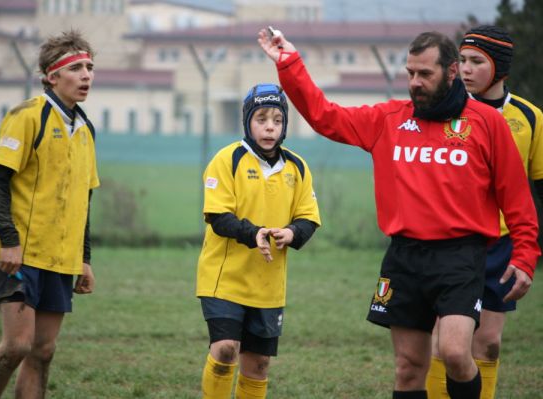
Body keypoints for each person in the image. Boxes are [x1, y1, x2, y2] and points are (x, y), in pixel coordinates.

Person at [258, 29, 540, 399]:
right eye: (410, 73)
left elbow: (516, 197)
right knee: (408, 369)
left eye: (425, 74)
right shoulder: (389, 119)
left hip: (461, 256)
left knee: (456, 353)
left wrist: (525, 255)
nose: (415, 83)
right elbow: (324, 116)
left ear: (451, 72)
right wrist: (290, 64)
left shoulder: (487, 123)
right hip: (405, 257)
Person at [0, 29, 99, 399]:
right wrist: (9, 242)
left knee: (43, 352)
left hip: (60, 258)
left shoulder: (86, 129)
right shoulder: (28, 115)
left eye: (90, 67)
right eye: (76, 68)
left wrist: (84, 259)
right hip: (19, 253)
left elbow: (83, 200)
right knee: (18, 345)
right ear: (51, 76)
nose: (87, 75)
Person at [426, 25, 543, 399]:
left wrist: (529, 254)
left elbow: (537, 189)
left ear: (501, 68)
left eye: (477, 61)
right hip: (451, 241)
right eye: (461, 60)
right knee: (445, 342)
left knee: (488, 343)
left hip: (501, 246)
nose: (466, 69)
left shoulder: (529, 118)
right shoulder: (443, 110)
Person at [196, 83, 321, 399]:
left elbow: (308, 218)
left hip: (268, 284)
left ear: (285, 125)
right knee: (226, 350)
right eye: (261, 119)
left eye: (277, 120)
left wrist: (292, 233)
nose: (269, 127)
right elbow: (218, 217)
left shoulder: (297, 167)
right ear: (247, 122)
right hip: (224, 279)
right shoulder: (228, 160)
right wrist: (254, 234)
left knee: (259, 364)